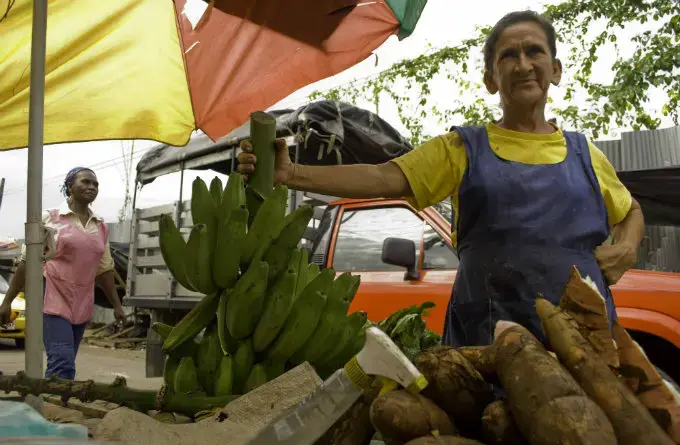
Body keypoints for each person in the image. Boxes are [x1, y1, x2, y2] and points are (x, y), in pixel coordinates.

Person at [236, 10, 645, 347]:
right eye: (508, 56)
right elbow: (382, 178)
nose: (523, 65)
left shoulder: (585, 154)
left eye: (534, 52)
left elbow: (630, 211)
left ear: (554, 70)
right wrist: (292, 173)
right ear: (490, 80)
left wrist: (626, 247)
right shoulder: (461, 148)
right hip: (489, 340)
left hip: (584, 342)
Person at [0, 167, 126, 379]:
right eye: (85, 182)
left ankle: (51, 402)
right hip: (51, 298)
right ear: (69, 187)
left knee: (65, 361)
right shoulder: (50, 218)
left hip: (82, 302)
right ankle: (53, 408)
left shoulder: (100, 226)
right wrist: (7, 302)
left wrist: (117, 305)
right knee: (62, 363)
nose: (91, 187)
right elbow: (26, 261)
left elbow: (104, 269)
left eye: (95, 184)